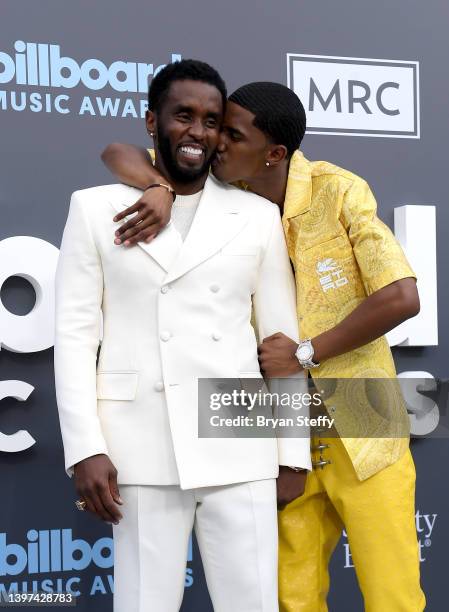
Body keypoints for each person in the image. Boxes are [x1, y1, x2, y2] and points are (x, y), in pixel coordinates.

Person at [102, 80, 426, 611]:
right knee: (291, 599)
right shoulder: (222, 192)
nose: (215, 143)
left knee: (393, 594)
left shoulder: (338, 190)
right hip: (274, 427)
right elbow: (118, 151)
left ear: (274, 152)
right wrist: (157, 187)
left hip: (364, 413)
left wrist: (305, 352)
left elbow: (400, 296)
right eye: (217, 129)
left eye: (230, 133)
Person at [54, 61, 311, 612]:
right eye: (183, 116)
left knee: (255, 604)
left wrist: (292, 453)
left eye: (212, 120)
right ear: (152, 122)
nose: (198, 131)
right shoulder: (94, 210)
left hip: (239, 440)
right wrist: (85, 448)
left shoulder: (258, 216)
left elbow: (282, 346)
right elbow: (75, 338)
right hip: (139, 447)